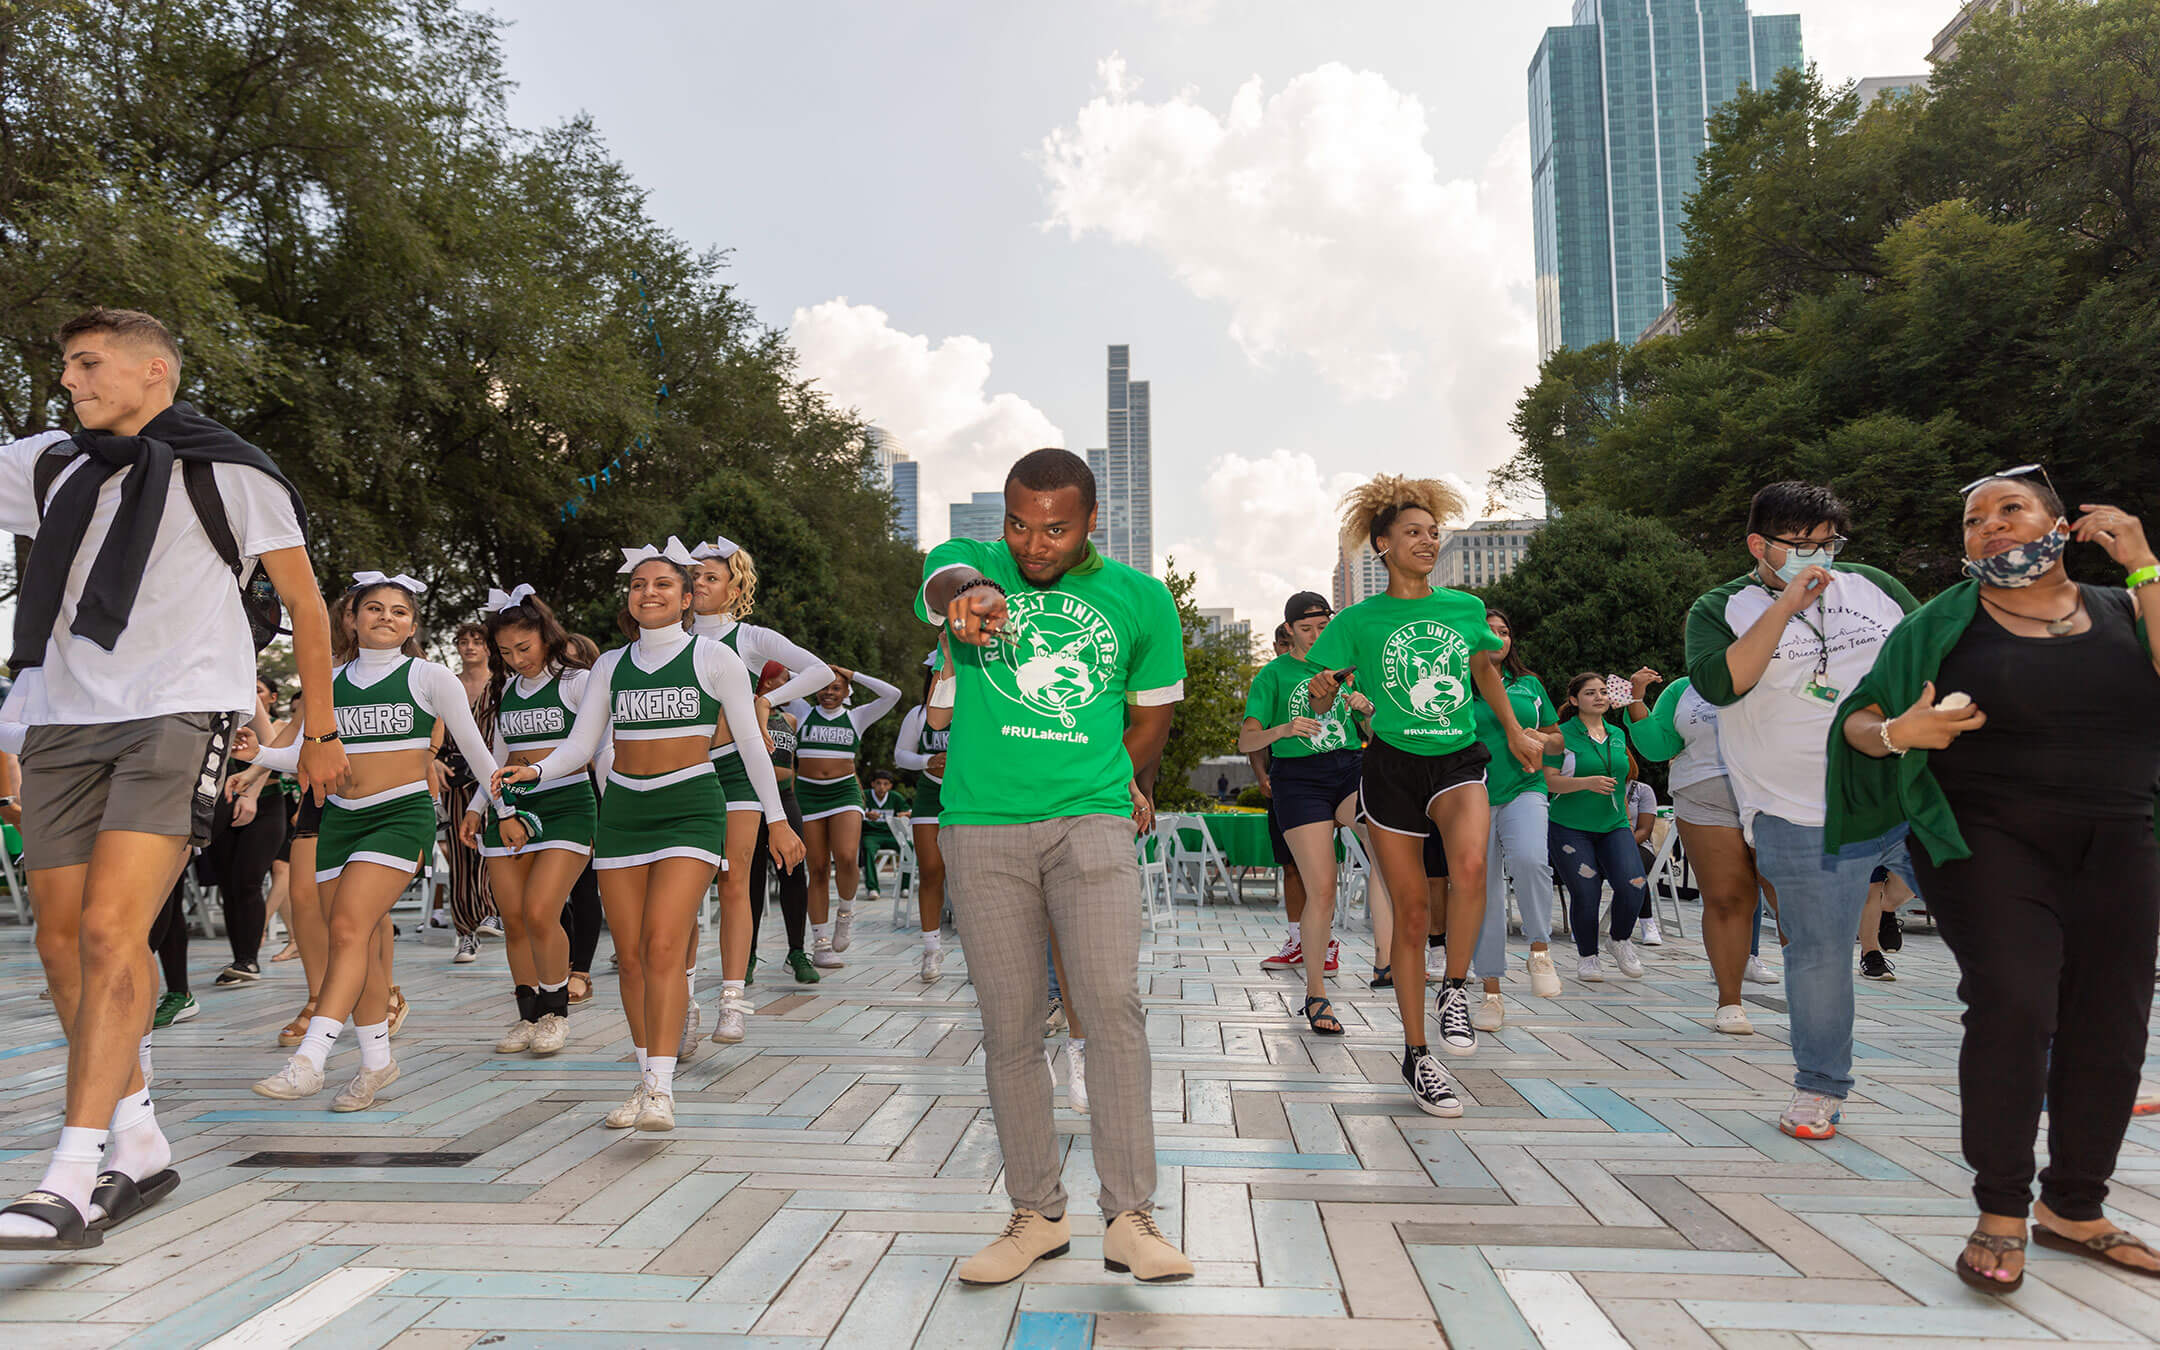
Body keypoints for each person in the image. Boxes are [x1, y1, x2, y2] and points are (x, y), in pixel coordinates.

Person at [0, 308, 343, 1250]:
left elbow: (308, 605)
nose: (69, 381)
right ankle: (137, 1137)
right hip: (64, 718)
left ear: (155, 370)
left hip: (181, 710)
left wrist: (318, 729)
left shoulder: (231, 471)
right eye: (65, 365)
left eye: (87, 363)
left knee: (114, 928)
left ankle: (69, 1174)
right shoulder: (48, 465)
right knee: (63, 945)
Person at [1830, 470, 2160, 1290]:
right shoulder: (1940, 625)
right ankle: (2001, 1210)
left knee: (2112, 1018)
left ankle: (2075, 1208)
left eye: (2011, 509)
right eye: (1975, 519)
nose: (1991, 526)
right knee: (2014, 999)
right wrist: (1902, 731)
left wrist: (2146, 567)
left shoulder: (2127, 609)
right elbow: (1861, 722)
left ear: (2063, 524)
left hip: (2122, 837)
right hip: (1984, 840)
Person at [923, 447, 1193, 1285]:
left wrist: (1123, 786)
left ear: (1090, 523)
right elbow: (945, 586)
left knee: (1110, 1008)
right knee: (1009, 1026)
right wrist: (969, 597)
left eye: (1055, 529)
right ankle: (1035, 1214)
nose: (1033, 545)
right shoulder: (968, 570)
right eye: (1017, 524)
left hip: (1091, 823)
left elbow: (1152, 718)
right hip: (981, 826)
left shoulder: (1141, 600)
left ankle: (1130, 1217)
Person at [494, 538, 801, 1133]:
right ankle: (645, 1077)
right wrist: (535, 769)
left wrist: (778, 819)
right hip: (624, 815)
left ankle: (661, 1090)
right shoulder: (610, 664)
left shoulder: (715, 660)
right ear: (629, 599)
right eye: (638, 585)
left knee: (663, 946)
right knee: (631, 960)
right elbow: (582, 747)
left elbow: (749, 744)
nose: (648, 593)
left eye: (663, 584)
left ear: (688, 597)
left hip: (691, 805)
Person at [1685, 481, 1917, 1141]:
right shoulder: (1721, 607)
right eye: (1802, 545)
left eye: (1829, 543)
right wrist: (1788, 603)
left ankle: (2054, 1069)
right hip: (1798, 812)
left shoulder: (1871, 585)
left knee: (1997, 924)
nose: (1820, 556)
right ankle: (1819, 1091)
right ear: (1760, 545)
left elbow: (1932, 650)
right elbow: (1721, 682)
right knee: (1817, 956)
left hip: (1905, 792)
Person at [1304, 475, 1544, 1110]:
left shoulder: (1463, 609)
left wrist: (1517, 732)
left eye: (1433, 532)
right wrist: (1323, 692)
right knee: (1410, 917)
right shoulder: (1355, 621)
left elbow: (1484, 671)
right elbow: (1319, 686)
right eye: (1413, 532)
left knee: (1470, 869)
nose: (1427, 541)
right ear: (1381, 545)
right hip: (1390, 767)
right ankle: (1417, 1057)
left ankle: (1456, 988)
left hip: (1458, 757)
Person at [247, 574, 506, 1110]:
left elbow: (479, 753)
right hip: (339, 821)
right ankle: (375, 1064)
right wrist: (251, 752)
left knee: (346, 927)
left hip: (400, 816)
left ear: (412, 624)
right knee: (357, 944)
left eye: (398, 611)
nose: (386, 617)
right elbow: (296, 756)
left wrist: (501, 809)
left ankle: (310, 1059)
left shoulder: (430, 676)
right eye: (373, 608)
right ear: (353, 617)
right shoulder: (329, 681)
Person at [687, 538, 833, 1041]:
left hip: (736, 772)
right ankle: (684, 998)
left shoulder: (749, 637)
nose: (700, 584)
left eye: (711, 576)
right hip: (683, 774)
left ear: (736, 586)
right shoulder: (671, 637)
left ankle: (732, 1000)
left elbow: (820, 671)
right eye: (695, 576)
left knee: (734, 882)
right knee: (685, 892)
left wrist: (767, 701)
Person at [1237, 590, 1385, 1035]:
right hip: (1298, 779)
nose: (1317, 635)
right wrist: (1283, 728)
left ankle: (1387, 964)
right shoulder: (1274, 675)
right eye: (1306, 628)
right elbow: (1246, 741)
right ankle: (1316, 994)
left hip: (1348, 768)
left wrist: (1368, 713)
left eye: (1324, 626)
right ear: (1289, 632)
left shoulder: (1349, 671)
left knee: (1388, 852)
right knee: (1321, 889)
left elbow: (1380, 734)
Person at [460, 586, 597, 1057]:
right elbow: (498, 757)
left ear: (547, 636)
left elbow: (596, 749)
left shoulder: (579, 681)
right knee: (515, 920)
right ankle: (528, 1014)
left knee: (542, 911)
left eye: (525, 648)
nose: (516, 659)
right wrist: (479, 807)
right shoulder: (507, 688)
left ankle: (556, 1012)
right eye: (505, 652)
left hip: (569, 805)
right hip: (510, 807)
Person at [1627, 673, 1778, 1033]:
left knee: (1788, 897)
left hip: (1776, 793)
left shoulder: (1780, 671)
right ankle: (1730, 1002)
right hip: (1703, 793)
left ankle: (1813, 1004)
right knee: (1727, 898)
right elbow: (1657, 746)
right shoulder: (1683, 688)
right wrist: (1636, 702)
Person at [1466, 609, 1565, 1028]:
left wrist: (1544, 739)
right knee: (1483, 891)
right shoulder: (1455, 688)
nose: (1499, 638)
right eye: (1490, 631)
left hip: (1526, 788)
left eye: (1505, 632)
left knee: (1530, 859)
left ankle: (1539, 951)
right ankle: (1491, 992)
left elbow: (1559, 741)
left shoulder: (1529, 686)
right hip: (1473, 796)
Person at [1545, 672, 1652, 983]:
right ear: (1575, 700)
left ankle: (1619, 941)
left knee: (1634, 885)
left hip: (1614, 824)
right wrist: (1585, 783)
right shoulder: (1560, 736)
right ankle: (1588, 957)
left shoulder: (1617, 734)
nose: (1600, 697)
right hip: (1570, 826)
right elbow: (1549, 781)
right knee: (1586, 891)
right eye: (1591, 693)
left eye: (1603, 691)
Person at [796, 666, 902, 965]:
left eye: (837, 687)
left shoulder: (857, 716)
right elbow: (778, 676)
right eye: (824, 686)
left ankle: (845, 913)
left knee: (845, 855)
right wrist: (813, 671)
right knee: (816, 868)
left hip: (844, 793)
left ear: (847, 692)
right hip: (809, 794)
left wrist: (851, 673)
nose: (829, 692)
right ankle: (820, 944)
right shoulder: (801, 710)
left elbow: (893, 694)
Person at [745, 660, 817, 985]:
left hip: (787, 800)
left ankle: (797, 951)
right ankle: (746, 954)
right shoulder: (743, 713)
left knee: (794, 872)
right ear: (770, 681)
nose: (791, 686)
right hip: (751, 801)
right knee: (752, 878)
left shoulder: (789, 718)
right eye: (786, 679)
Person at [1254, 623, 1318, 975]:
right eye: (1280, 643)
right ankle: (1296, 938)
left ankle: (1325, 941)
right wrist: (1262, 776)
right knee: (1290, 865)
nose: (1285, 647)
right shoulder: (1270, 681)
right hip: (1284, 783)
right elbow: (1254, 737)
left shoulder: (1328, 675)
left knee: (1321, 869)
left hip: (1324, 781)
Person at [438, 621, 501, 960]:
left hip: (494, 774)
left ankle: (492, 910)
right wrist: (433, 760)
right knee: (461, 854)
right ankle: (465, 931)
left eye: (476, 641)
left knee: (492, 843)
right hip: (455, 774)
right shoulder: (448, 683)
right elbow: (432, 723)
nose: (469, 647)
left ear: (488, 647)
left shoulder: (501, 684)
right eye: (463, 641)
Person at [893, 651, 954, 982]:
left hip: (968, 795)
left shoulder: (976, 708)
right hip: (930, 796)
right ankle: (931, 950)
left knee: (970, 878)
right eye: (935, 673)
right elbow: (900, 755)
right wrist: (926, 762)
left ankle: (978, 953)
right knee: (930, 871)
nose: (940, 677)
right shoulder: (918, 715)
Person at [860, 768, 908, 896]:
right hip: (871, 835)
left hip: (891, 834)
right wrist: (865, 814)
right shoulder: (864, 796)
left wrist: (904, 814)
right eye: (878, 783)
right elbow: (852, 812)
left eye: (885, 784)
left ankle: (905, 887)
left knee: (907, 847)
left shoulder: (895, 797)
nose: (882, 787)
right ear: (873, 784)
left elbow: (909, 812)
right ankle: (872, 888)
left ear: (890, 786)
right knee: (867, 849)